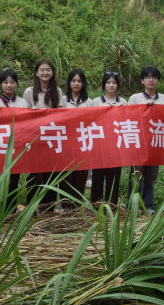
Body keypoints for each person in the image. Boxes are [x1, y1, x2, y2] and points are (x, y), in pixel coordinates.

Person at [23, 59, 66, 209]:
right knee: (35, 174)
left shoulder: (57, 91)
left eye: (48, 70)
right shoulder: (29, 92)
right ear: (36, 73)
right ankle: (31, 208)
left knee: (52, 173)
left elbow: (61, 113)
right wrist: (32, 113)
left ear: (52, 73)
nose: (45, 73)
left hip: (52, 137)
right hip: (35, 139)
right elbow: (24, 115)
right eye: (42, 70)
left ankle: (48, 208)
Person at [127, 66, 164, 214]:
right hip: (138, 141)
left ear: (158, 81)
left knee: (151, 175)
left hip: (155, 143)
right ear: (142, 81)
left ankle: (148, 205)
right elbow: (128, 117)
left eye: (154, 77)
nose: (151, 80)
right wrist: (144, 108)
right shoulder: (134, 98)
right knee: (136, 173)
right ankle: (131, 204)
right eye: (147, 77)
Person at [0, 68, 28, 213]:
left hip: (16, 147)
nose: (9, 85)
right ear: (0, 84)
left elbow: (27, 123)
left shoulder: (23, 102)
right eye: (5, 82)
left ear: (17, 84)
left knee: (13, 180)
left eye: (12, 82)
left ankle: (10, 212)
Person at [91, 70, 127, 204]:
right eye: (108, 82)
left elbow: (128, 121)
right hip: (99, 145)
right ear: (104, 85)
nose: (111, 85)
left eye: (114, 83)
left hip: (116, 146)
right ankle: (96, 204)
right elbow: (90, 120)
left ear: (118, 86)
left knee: (114, 177)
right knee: (98, 177)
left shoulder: (123, 102)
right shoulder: (95, 101)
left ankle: (112, 204)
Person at [61, 68, 92, 208]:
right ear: (69, 82)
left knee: (81, 174)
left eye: (79, 81)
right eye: (73, 80)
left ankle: (77, 205)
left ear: (83, 83)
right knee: (66, 174)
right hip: (65, 143)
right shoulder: (62, 100)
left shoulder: (89, 102)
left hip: (83, 142)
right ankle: (65, 204)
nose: (76, 83)